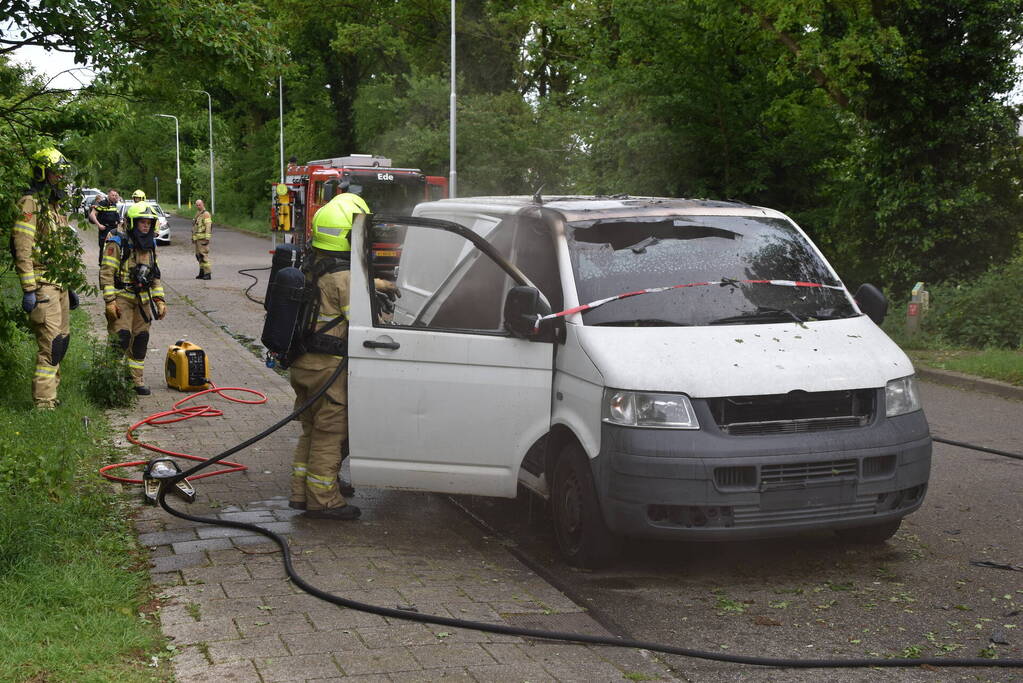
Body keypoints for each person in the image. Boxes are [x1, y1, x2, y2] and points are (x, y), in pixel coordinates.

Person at [288, 188, 396, 520]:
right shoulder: (344, 277)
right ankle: (323, 500)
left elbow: (339, 290)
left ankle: (301, 492)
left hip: (302, 363)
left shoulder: (313, 265)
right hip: (327, 368)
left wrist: (378, 284)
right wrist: (388, 314)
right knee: (330, 432)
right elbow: (364, 320)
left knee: (311, 429)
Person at [11, 147, 79, 410]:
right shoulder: (31, 203)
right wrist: (29, 288)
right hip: (43, 286)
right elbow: (23, 247)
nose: (60, 178)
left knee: (61, 343)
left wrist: (70, 284)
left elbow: (61, 248)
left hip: (59, 284)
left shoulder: (53, 205)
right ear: (42, 173)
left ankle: (52, 396)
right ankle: (43, 404)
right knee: (50, 345)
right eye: (56, 173)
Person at [99, 201, 167, 395]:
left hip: (143, 300)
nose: (146, 225)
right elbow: (106, 273)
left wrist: (159, 300)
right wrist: (110, 301)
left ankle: (135, 380)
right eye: (142, 222)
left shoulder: (150, 245)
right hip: (122, 297)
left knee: (140, 340)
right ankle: (108, 378)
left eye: (149, 222)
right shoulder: (117, 242)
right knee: (121, 337)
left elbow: (155, 276)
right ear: (132, 223)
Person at [88, 188, 121, 262]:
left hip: (114, 230)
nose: (114, 196)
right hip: (105, 229)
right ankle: (102, 266)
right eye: (112, 195)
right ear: (108, 195)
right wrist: (99, 225)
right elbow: (92, 215)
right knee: (103, 248)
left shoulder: (114, 204)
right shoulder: (102, 203)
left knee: (113, 248)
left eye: (115, 195)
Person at [192, 199, 212, 280]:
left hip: (203, 239)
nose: (198, 206)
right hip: (197, 239)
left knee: (203, 255)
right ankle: (202, 272)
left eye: (199, 205)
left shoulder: (206, 214)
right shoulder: (198, 214)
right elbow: (195, 227)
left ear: (203, 204)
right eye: (196, 205)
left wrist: (207, 238)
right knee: (198, 256)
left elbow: (208, 226)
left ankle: (208, 273)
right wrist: (193, 238)